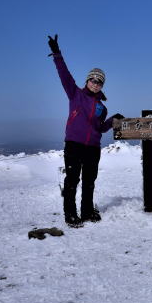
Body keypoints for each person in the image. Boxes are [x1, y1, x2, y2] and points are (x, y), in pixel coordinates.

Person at [48, 34, 124, 227]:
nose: (95, 84)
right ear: (87, 80)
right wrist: (57, 54)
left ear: (102, 85)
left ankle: (88, 212)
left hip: (93, 147)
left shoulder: (101, 107)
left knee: (89, 181)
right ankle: (70, 214)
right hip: (74, 144)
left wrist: (112, 121)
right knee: (72, 180)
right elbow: (64, 74)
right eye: (93, 80)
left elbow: (100, 128)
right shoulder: (75, 94)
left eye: (99, 82)